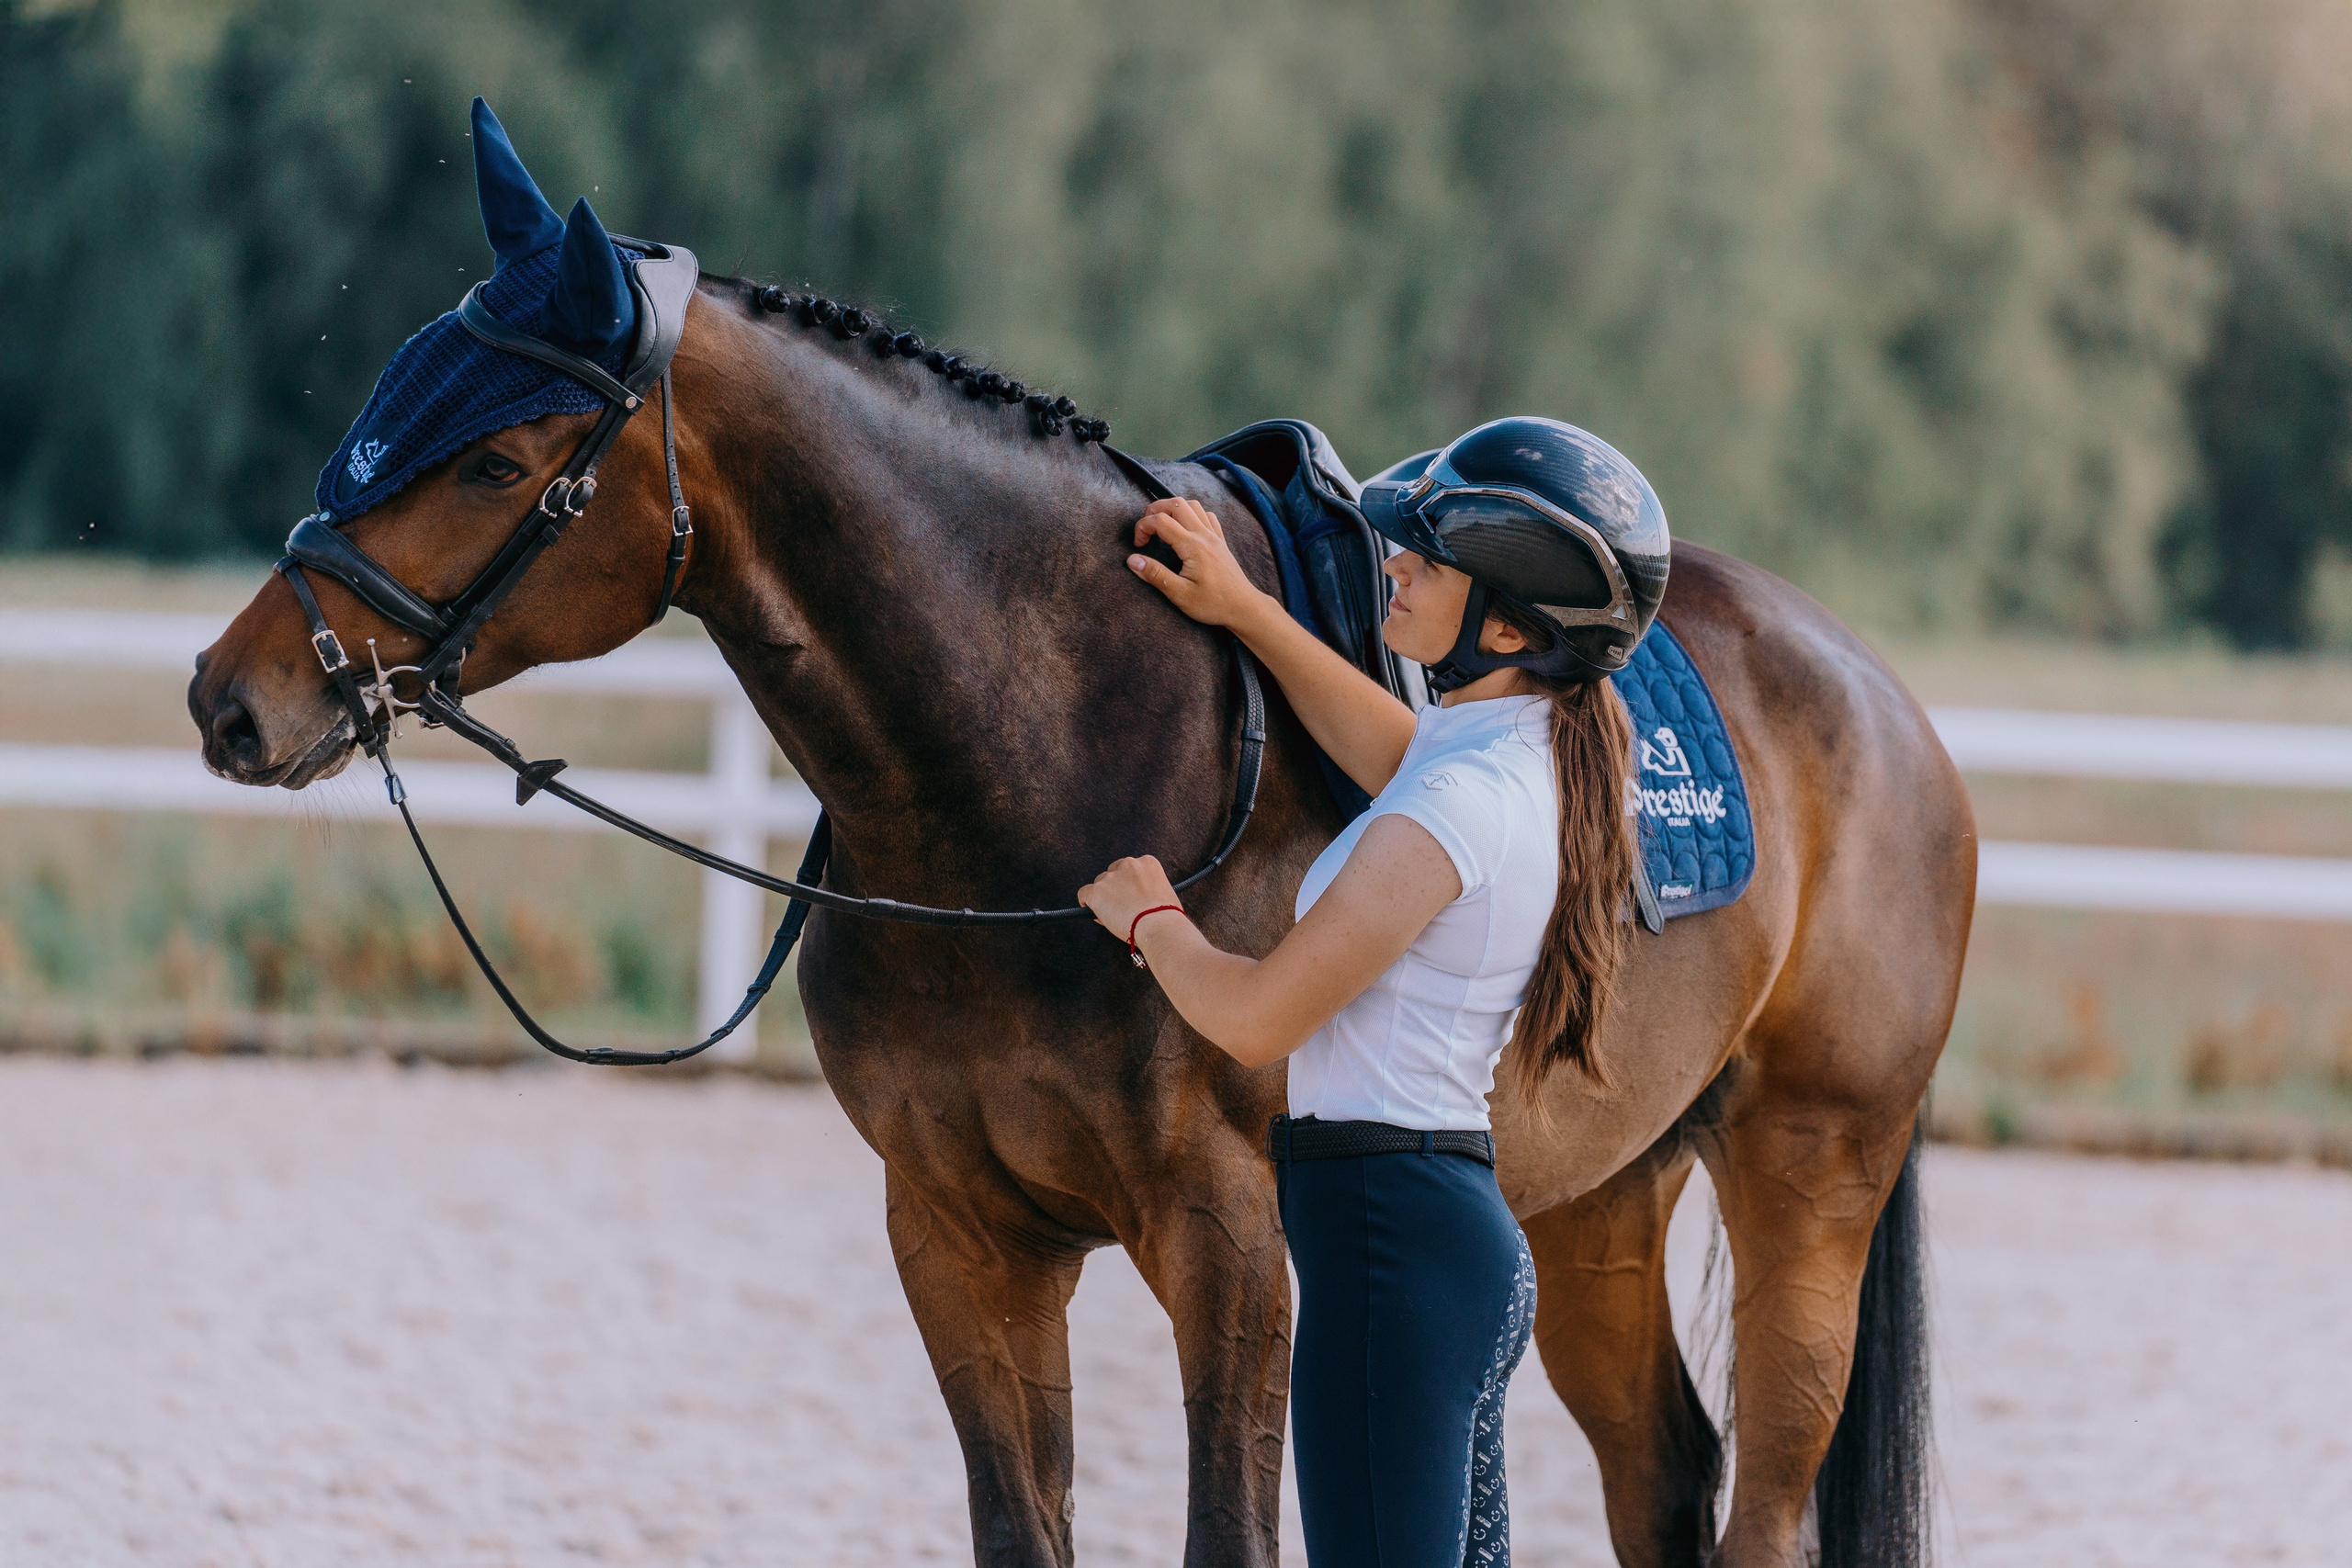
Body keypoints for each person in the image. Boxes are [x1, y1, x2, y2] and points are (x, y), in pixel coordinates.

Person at [1078, 417, 1672, 1566]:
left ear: (1509, 627)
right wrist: (1247, 611)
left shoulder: (1458, 806)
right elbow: (1394, 752)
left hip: (1387, 1250)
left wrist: (1151, 920)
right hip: (1436, 1239)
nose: (1393, 565)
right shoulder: (1513, 758)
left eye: (1428, 563)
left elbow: (1256, 1019)